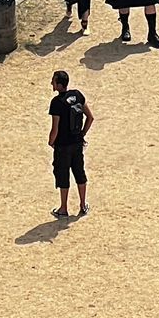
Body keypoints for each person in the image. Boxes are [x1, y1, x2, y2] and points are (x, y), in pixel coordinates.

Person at [48, 67, 93, 218]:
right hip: (77, 144)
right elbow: (90, 117)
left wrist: (51, 141)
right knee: (79, 173)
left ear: (60, 85)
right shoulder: (77, 95)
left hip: (62, 146)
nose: (51, 84)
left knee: (63, 175)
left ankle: (63, 209)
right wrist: (82, 134)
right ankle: (82, 205)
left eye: (53, 81)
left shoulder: (56, 102)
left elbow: (55, 128)